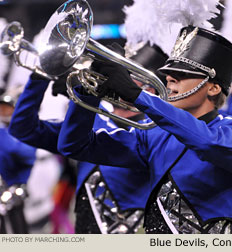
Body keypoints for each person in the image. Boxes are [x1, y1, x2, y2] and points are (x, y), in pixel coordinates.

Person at [57, 26, 232, 234]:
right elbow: (75, 146)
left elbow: (206, 142)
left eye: (181, 74)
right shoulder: (154, 135)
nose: (170, 80)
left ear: (213, 88)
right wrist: (89, 90)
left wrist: (138, 96)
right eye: (169, 74)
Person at [9, 42, 168, 233]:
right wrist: (40, 76)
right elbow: (23, 129)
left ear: (149, 90)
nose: (113, 78)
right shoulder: (91, 118)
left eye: (128, 75)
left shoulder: (155, 131)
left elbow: (108, 138)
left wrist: (85, 96)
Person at [0, 88, 36, 233]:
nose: (3, 112)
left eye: (7, 109)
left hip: (15, 190)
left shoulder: (22, 130)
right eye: (1, 108)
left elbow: (24, 154)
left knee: (17, 228)